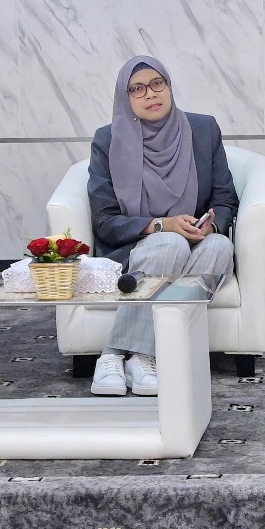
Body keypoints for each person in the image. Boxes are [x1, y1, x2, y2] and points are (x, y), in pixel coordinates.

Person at [86, 55, 238, 396]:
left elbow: (225, 198)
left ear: (169, 86)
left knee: (220, 246)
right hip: (134, 246)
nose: (151, 94)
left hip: (197, 241)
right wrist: (161, 225)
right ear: (125, 97)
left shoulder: (203, 130)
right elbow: (104, 220)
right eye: (137, 89)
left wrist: (211, 227)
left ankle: (140, 355)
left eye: (158, 83)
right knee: (169, 243)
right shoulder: (108, 140)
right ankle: (119, 355)